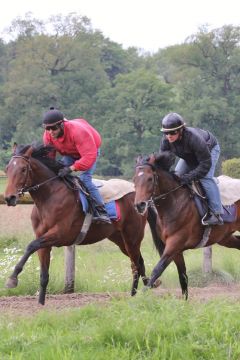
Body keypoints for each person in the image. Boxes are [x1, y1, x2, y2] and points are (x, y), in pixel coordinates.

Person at [42, 107, 111, 224]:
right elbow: (50, 158)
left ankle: (102, 211)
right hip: (70, 153)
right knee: (57, 174)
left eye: (53, 128)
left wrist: (71, 168)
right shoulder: (48, 136)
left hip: (90, 152)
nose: (50, 132)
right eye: (47, 128)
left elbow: (88, 157)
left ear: (62, 125)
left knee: (85, 179)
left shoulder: (78, 132)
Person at [160, 112, 223, 226]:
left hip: (209, 150)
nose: (169, 135)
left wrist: (188, 177)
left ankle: (216, 213)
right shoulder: (166, 140)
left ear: (181, 130)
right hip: (189, 155)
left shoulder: (194, 139)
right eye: (166, 132)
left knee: (205, 178)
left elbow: (205, 164)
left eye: (172, 132)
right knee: (177, 177)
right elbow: (164, 163)